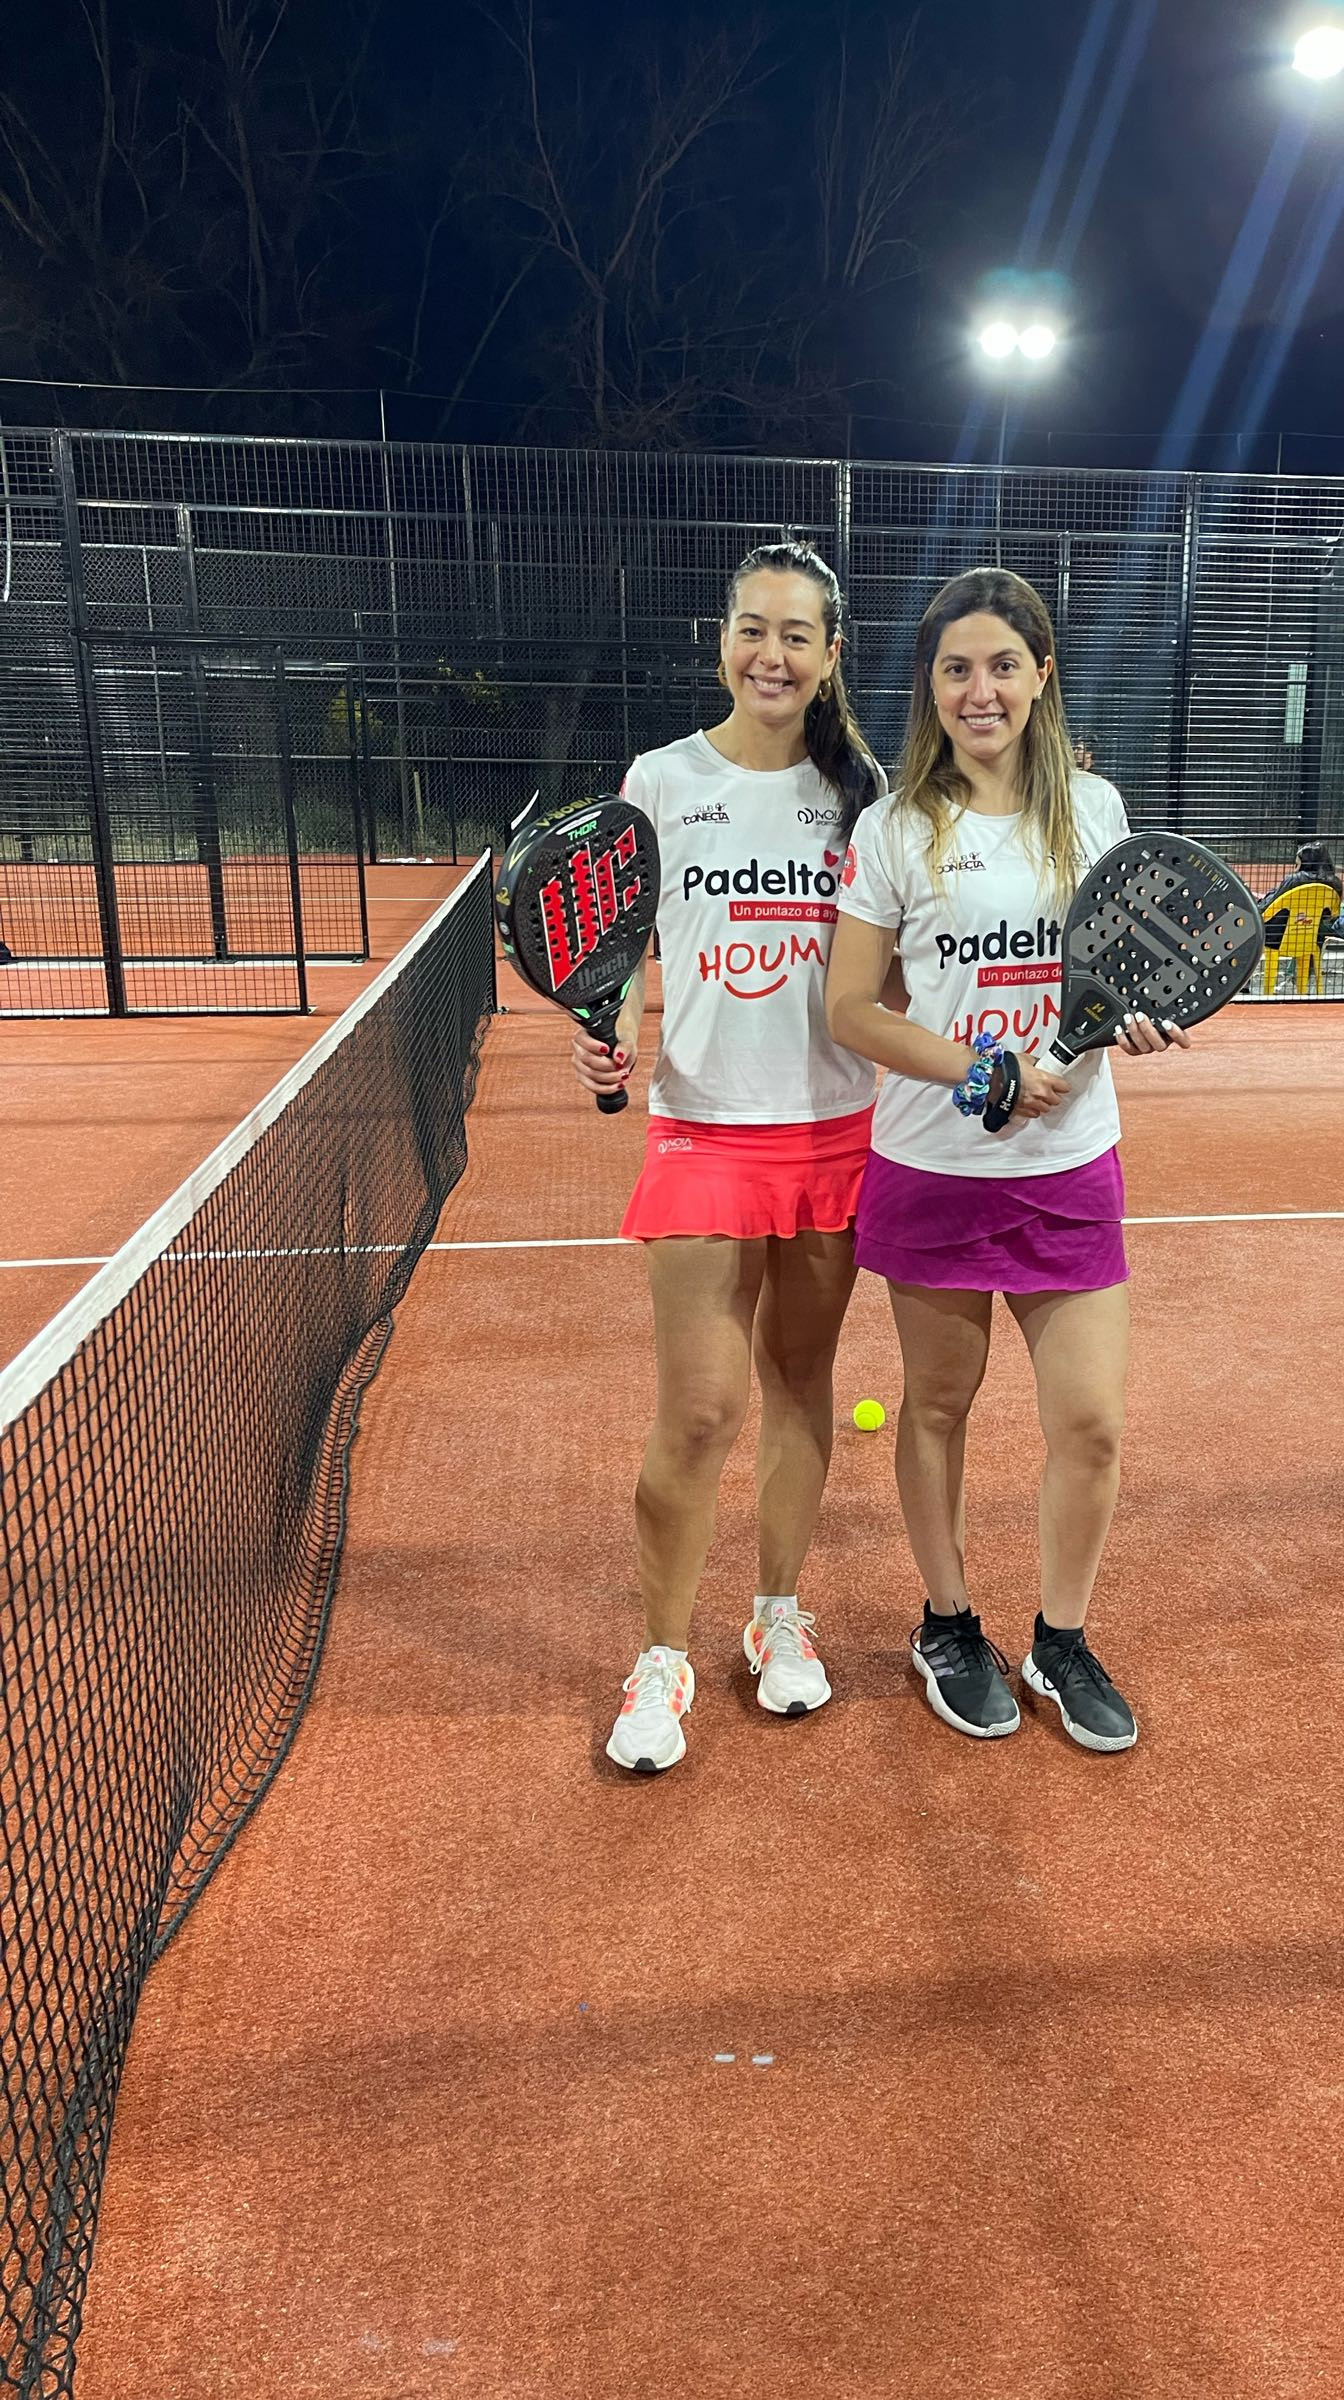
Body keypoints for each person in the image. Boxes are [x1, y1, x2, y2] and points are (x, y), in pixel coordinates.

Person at [826, 566, 1188, 1755]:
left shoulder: (1095, 809)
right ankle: (947, 1624)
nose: (979, 690)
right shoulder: (893, 828)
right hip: (934, 1163)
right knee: (938, 1405)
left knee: (1091, 1424)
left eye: (1002, 665)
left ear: (1042, 677)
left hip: (1070, 1162)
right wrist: (978, 1071)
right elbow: (852, 1009)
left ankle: (1060, 1640)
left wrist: (1135, 1018)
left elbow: (1123, 966)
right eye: (956, 669)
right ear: (930, 687)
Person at [570, 540, 883, 1776]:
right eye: (754, 628)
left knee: (801, 1385)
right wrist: (608, 1034)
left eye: (798, 635)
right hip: (701, 1131)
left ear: (829, 655)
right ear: (722, 641)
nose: (773, 654)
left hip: (835, 1133)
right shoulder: (659, 780)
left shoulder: (864, 794)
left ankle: (776, 1613)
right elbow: (622, 953)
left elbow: (889, 963)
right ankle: (660, 1656)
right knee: (700, 1412)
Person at [1258, 840, 1343, 948]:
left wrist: (1259, 903)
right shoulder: (1335, 883)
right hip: (1313, 938)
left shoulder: (1294, 880)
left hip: (1277, 938)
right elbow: (1332, 915)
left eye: (1297, 863)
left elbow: (1267, 908)